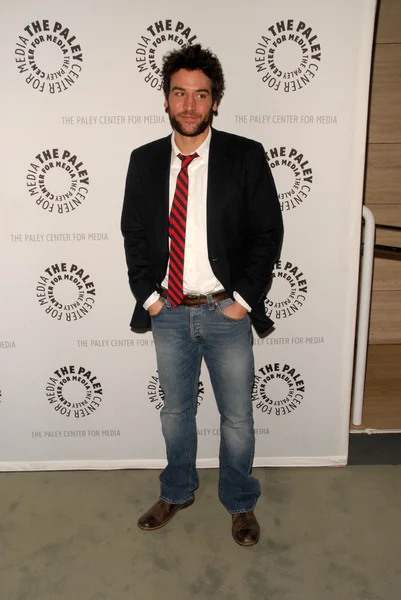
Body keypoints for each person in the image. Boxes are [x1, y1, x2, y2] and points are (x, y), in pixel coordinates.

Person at [121, 44, 283, 546]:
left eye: (200, 95)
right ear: (166, 99)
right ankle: (177, 490)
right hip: (168, 312)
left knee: (236, 417)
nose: (189, 105)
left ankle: (239, 503)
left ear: (215, 101)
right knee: (175, 412)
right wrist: (149, 297)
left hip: (225, 312)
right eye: (179, 94)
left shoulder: (245, 156)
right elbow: (133, 232)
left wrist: (244, 300)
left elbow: (267, 233)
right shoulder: (144, 161)